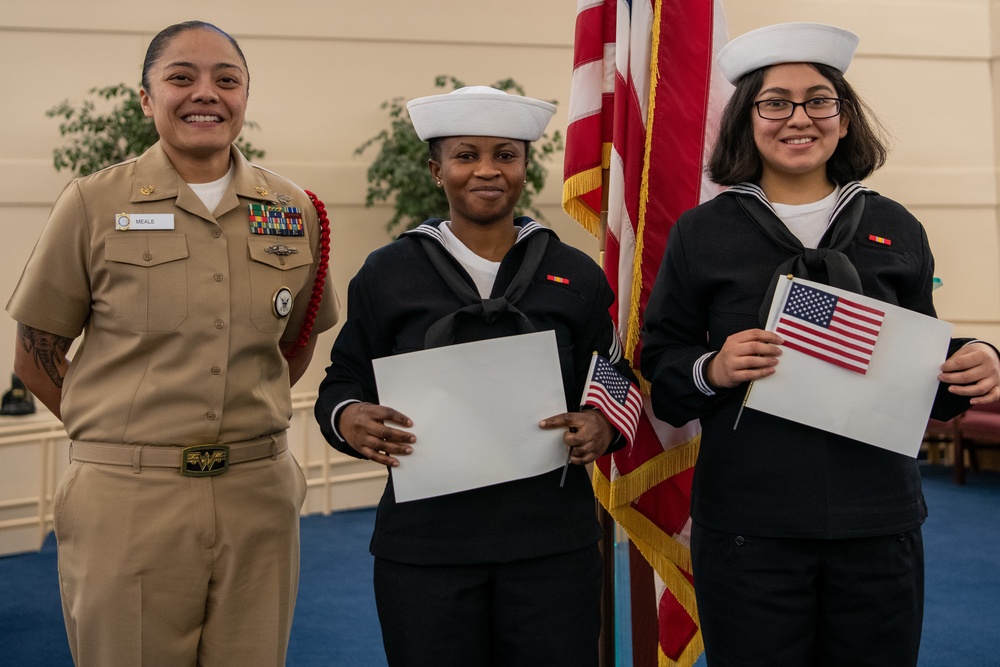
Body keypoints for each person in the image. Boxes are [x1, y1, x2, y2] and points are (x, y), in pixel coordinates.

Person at [639, 22, 1000, 667]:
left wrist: (974, 361)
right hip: (751, 525)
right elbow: (661, 371)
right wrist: (713, 368)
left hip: (877, 520)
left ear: (843, 116)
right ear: (746, 119)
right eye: (775, 102)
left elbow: (927, 370)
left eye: (818, 100)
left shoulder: (895, 225)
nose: (798, 118)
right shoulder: (702, 233)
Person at [7, 21, 338, 667]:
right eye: (181, 77)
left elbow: (291, 346)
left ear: (246, 94)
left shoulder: (293, 210)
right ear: (146, 98)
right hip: (128, 500)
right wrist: (117, 434)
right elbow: (35, 354)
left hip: (257, 496)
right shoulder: (94, 203)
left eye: (226, 79)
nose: (205, 93)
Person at [314, 86, 634, 666]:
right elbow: (343, 381)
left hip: (551, 546)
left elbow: (615, 371)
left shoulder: (574, 273)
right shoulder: (388, 274)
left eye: (505, 155)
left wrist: (600, 423)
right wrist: (349, 418)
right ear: (437, 171)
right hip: (425, 549)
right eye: (466, 156)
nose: (487, 170)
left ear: (524, 168)